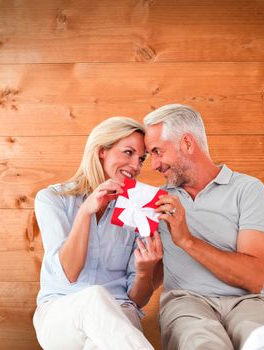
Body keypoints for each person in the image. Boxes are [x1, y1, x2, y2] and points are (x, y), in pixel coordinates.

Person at [143, 104, 264, 350]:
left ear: (187, 144)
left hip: (247, 301)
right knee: (202, 342)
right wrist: (145, 266)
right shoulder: (154, 202)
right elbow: (147, 279)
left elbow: (254, 278)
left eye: (158, 152)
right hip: (186, 302)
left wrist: (186, 240)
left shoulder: (247, 189)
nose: (154, 165)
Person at [33, 117, 162, 350]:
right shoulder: (53, 200)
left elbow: (138, 300)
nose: (135, 165)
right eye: (128, 152)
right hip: (61, 313)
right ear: (102, 151)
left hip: (121, 312)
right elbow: (68, 274)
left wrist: (145, 271)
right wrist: (84, 213)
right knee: (94, 297)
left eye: (141, 158)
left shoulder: (139, 209)